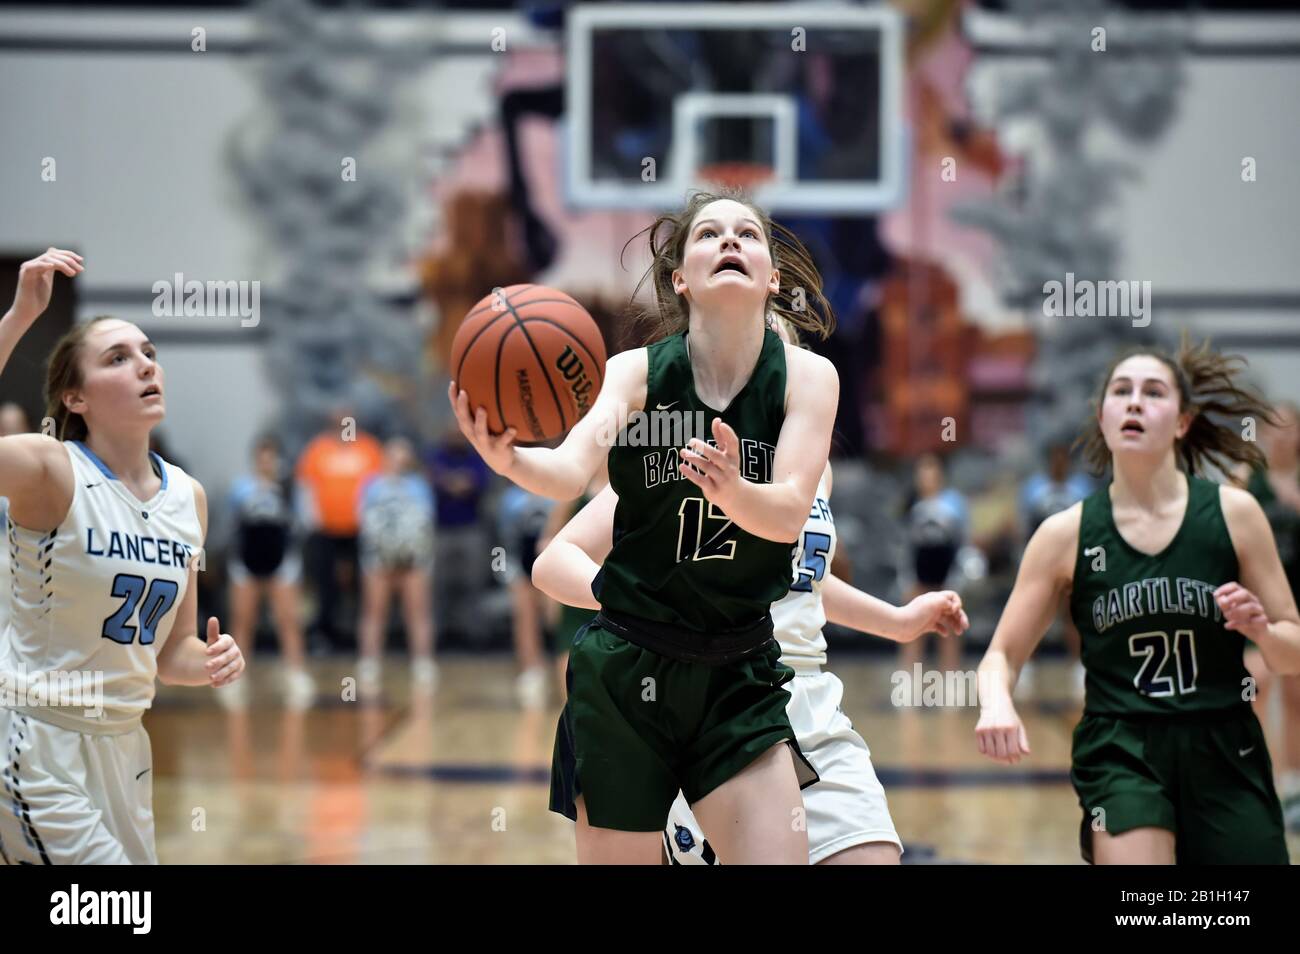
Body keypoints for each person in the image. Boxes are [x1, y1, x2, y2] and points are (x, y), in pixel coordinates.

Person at [450, 189, 840, 864]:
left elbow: (788, 512)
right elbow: (571, 472)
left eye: (747, 234)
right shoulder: (634, 376)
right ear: (680, 279)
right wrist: (509, 459)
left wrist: (733, 490)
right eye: (709, 234)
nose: (728, 241)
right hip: (628, 672)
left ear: (773, 277)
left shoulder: (808, 379)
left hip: (737, 670)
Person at [532, 320, 969, 865]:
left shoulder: (814, 471)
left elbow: (805, 582)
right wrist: (639, 598)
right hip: (717, 699)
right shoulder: (681, 459)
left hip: (809, 697)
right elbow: (553, 561)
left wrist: (900, 621)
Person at [976, 340, 1300, 864]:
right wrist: (996, 702)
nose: (1133, 403)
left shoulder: (1235, 515)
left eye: (1153, 392)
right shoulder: (1065, 534)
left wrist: (1262, 631)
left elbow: (1294, 652)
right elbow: (1002, 654)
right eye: (1120, 392)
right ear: (1102, 417)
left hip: (1223, 745)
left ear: (1182, 421)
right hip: (1123, 748)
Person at [0, 248, 245, 864]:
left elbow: (171, 653)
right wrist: (19, 316)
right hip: (35, 738)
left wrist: (210, 660)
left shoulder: (188, 497)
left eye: (148, 354)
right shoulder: (51, 468)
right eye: (118, 358)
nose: (144, 365)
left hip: (125, 748)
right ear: (76, 398)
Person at [1238, 400, 1300, 832]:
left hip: (1299, 602)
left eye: (1289, 427)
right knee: (1252, 688)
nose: (1281, 435)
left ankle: (1294, 787)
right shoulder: (1248, 482)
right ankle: (1254, 784)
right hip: (1257, 606)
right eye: (1272, 428)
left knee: (1297, 696)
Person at [223, 433, 313, 710]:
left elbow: (305, 523)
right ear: (255, 460)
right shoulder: (240, 489)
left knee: (287, 619)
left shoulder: (290, 488)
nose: (266, 463)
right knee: (242, 620)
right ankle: (234, 678)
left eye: (271, 457)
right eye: (261, 458)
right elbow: (231, 526)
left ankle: (296, 675)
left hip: (281, 561)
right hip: (246, 563)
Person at [295, 409, 384, 651]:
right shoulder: (318, 450)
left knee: (362, 585)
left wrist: (369, 521)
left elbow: (378, 487)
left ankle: (357, 636)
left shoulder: (369, 449)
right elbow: (306, 487)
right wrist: (312, 521)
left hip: (360, 532)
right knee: (325, 584)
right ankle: (324, 634)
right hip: (325, 532)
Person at [356, 436, 438, 698]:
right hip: (378, 559)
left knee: (417, 611)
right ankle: (370, 662)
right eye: (394, 455)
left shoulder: (419, 486)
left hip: (413, 559)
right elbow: (362, 519)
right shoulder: (372, 485)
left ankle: (422, 661)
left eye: (404, 456)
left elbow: (426, 521)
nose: (399, 461)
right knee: (374, 611)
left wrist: (412, 550)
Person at [899, 452, 968, 675]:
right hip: (919, 577)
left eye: (931, 471)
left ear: (940, 475)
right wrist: (906, 579)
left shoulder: (953, 504)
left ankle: (950, 682)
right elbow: (904, 546)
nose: (926, 477)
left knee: (948, 631)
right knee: (911, 630)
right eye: (922, 472)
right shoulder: (911, 505)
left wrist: (957, 578)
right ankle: (908, 681)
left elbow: (962, 542)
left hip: (945, 576)